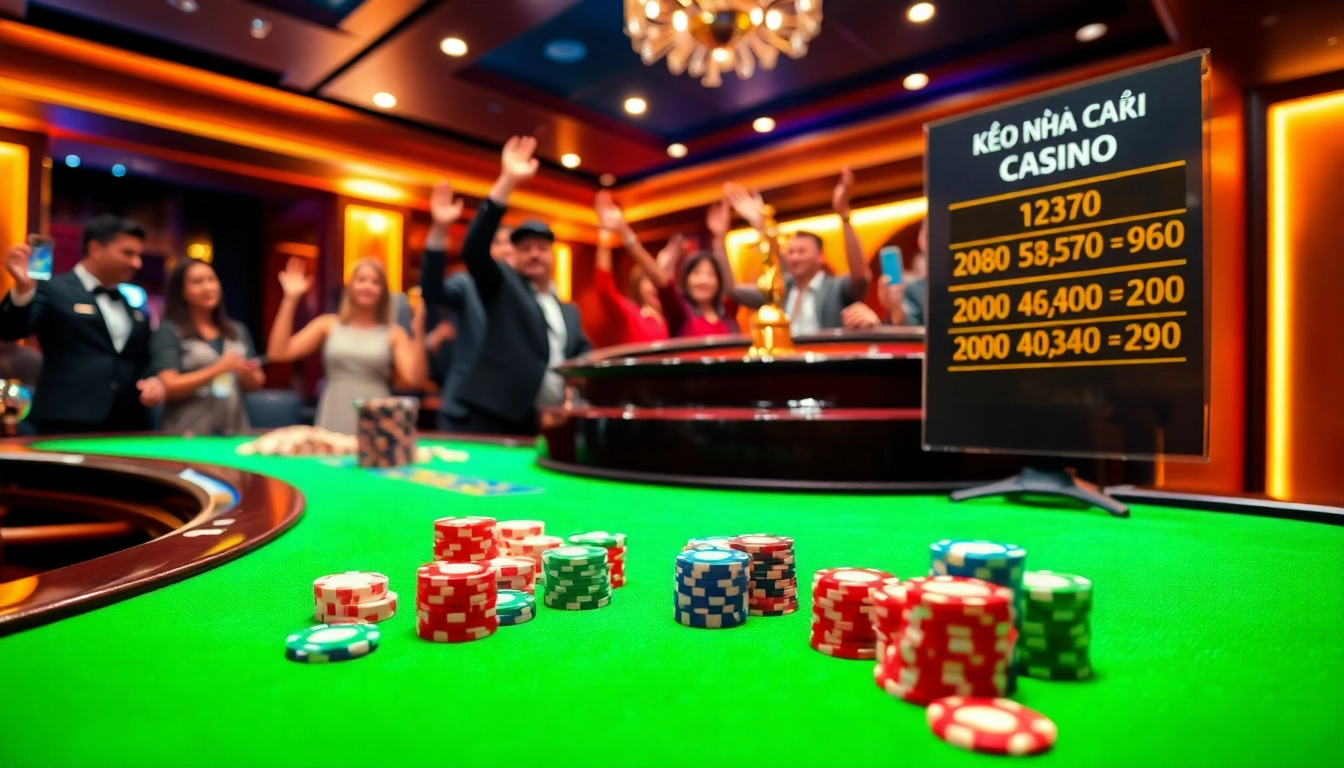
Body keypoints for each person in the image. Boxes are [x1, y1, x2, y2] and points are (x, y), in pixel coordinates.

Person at [453, 136, 591, 436]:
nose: (534, 253)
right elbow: (474, 249)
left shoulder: (569, 311)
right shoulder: (504, 286)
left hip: (545, 421)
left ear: (553, 254)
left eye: (541, 247)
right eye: (525, 247)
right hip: (495, 416)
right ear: (512, 256)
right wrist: (507, 181)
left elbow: (583, 355)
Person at [0, 216, 165, 434]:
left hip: (126, 426)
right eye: (128, 253)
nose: (137, 263)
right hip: (64, 422)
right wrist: (23, 290)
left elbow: (142, 359)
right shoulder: (54, 289)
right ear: (96, 248)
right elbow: (11, 330)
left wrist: (154, 381)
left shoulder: (129, 304)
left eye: (138, 255)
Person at [266, 256, 425, 434]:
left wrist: (418, 330)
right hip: (334, 411)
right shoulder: (327, 325)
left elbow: (414, 380)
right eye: (361, 280)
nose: (367, 286)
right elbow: (278, 352)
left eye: (375, 282)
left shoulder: (394, 333)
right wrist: (290, 298)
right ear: (350, 287)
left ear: (383, 291)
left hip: (376, 418)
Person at [419, 180, 519, 431]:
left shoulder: (525, 295)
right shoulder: (466, 283)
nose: (506, 249)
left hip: (510, 412)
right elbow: (431, 290)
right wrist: (440, 229)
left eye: (512, 244)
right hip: (463, 410)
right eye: (498, 243)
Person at [721, 167, 873, 332]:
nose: (795, 257)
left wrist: (843, 214)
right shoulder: (780, 291)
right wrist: (755, 228)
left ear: (820, 256)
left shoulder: (834, 288)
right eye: (791, 252)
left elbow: (860, 276)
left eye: (802, 252)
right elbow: (732, 290)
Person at [594, 191, 736, 338]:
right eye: (696, 273)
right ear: (685, 281)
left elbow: (731, 290)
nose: (703, 280)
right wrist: (621, 232)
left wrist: (720, 238)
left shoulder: (726, 312)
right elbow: (661, 281)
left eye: (710, 274)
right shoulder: (679, 314)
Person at [149, 258, 265, 434]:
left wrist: (245, 371)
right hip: (187, 431)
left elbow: (256, 383)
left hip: (234, 429)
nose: (208, 287)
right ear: (181, 291)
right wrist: (217, 369)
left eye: (212, 280)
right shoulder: (169, 331)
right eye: (197, 282)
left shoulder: (237, 330)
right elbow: (169, 386)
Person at [591, 190, 668, 345]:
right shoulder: (632, 315)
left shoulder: (677, 317)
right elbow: (605, 289)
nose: (655, 287)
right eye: (649, 281)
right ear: (638, 284)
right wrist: (605, 235)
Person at [880, 219, 929, 326]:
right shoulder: (912, 291)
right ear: (921, 240)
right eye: (928, 237)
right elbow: (908, 325)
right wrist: (896, 309)